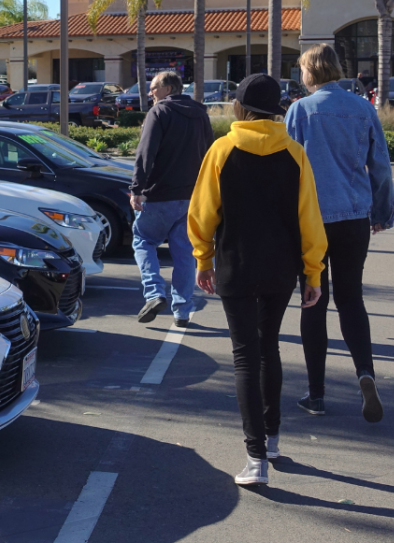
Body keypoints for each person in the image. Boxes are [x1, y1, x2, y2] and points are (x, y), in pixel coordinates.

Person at [188, 73, 325, 486]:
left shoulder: (222, 149)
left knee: (245, 355)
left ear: (239, 107)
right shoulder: (295, 153)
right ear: (277, 109)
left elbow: (202, 213)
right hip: (281, 269)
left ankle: (255, 458)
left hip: (235, 266)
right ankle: (274, 438)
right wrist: (313, 272)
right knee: (269, 349)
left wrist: (203, 258)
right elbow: (310, 220)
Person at [285, 44, 394, 422]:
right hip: (353, 219)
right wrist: (381, 213)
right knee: (351, 299)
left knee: (313, 301)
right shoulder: (363, 108)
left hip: (312, 221)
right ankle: (365, 371)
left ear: (310, 72)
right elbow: (380, 166)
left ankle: (316, 394)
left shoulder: (300, 110)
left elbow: (287, 167)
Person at [130, 71, 212, 327]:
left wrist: (136, 189)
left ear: (167, 88)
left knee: (143, 240)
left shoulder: (159, 113)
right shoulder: (200, 113)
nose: (150, 93)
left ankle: (154, 293)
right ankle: (182, 311)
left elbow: (146, 153)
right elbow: (210, 153)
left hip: (159, 194)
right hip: (192, 197)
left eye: (153, 88)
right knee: (185, 254)